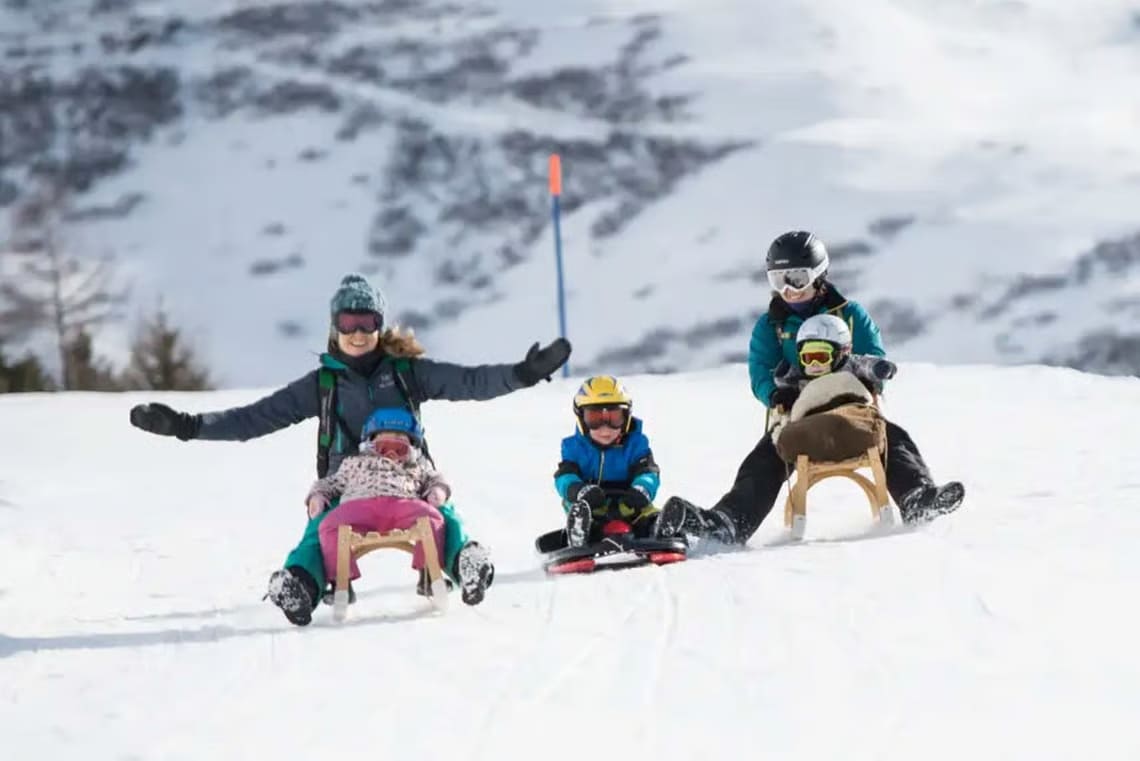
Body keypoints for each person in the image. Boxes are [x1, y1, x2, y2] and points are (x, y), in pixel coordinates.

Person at [128, 273, 571, 624]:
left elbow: (470, 382)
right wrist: (187, 426)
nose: (358, 332)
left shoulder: (406, 373)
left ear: (380, 325)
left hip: (408, 475)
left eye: (367, 323)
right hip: (345, 484)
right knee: (317, 529)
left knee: (444, 515)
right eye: (348, 324)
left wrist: (523, 374)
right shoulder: (323, 384)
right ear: (334, 327)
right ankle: (301, 586)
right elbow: (254, 418)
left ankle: (465, 564)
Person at [655, 231, 964, 546]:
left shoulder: (851, 316)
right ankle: (728, 522)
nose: (788, 289)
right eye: (778, 280)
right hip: (798, 415)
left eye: (797, 278)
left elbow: (874, 360)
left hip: (852, 410)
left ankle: (917, 497)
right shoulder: (771, 327)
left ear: (818, 275)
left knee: (892, 438)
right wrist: (776, 394)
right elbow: (760, 371)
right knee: (765, 458)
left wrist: (865, 377)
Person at [311, 407, 462, 601]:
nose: (391, 455)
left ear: (412, 451)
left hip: (402, 505)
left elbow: (435, 478)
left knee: (434, 518)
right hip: (360, 508)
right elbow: (331, 483)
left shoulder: (415, 467)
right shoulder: (354, 464)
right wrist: (317, 495)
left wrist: (438, 491)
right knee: (328, 525)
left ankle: (428, 575)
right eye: (383, 448)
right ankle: (341, 583)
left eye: (400, 450)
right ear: (369, 446)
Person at [553, 376, 661, 547]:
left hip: (629, 504)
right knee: (581, 509)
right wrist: (578, 490)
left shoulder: (636, 444)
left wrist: (643, 488)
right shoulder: (573, 448)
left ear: (626, 418)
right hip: (593, 506)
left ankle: (658, 527)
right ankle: (581, 531)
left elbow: (648, 472)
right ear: (581, 419)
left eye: (614, 418)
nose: (605, 429)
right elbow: (564, 476)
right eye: (595, 419)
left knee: (646, 514)